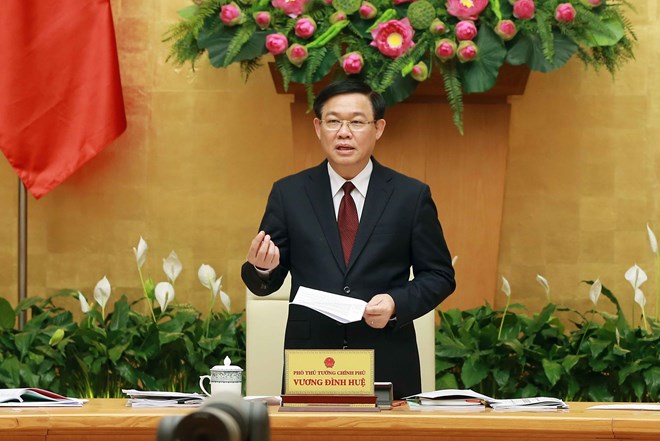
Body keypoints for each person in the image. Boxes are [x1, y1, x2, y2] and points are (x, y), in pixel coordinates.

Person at [241, 80, 455, 399]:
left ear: (378, 128)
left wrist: (397, 302)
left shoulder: (410, 196)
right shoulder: (289, 194)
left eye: (356, 122)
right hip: (311, 364)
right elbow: (267, 281)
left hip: (387, 361)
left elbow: (439, 275)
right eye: (333, 121)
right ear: (318, 127)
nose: (344, 132)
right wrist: (262, 269)